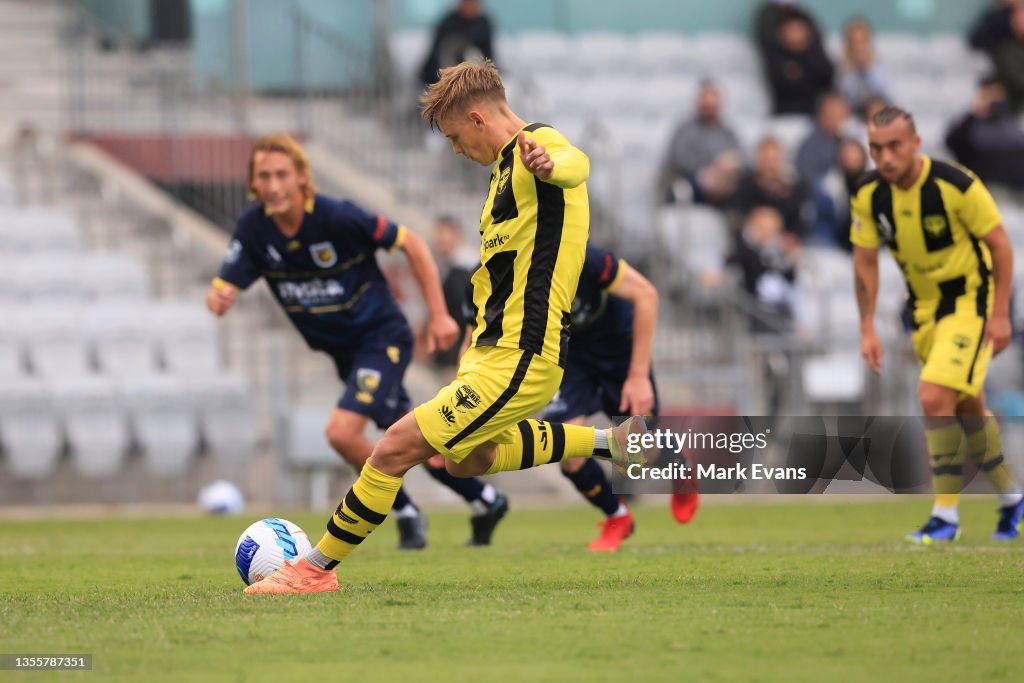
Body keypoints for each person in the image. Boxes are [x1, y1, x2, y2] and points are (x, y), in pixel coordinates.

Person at [244, 60, 651, 594]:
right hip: (491, 351)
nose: (457, 150)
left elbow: (577, 163)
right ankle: (612, 443)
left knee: (392, 448)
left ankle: (314, 570)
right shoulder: (502, 175)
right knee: (468, 461)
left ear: (478, 119)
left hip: (522, 353)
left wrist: (550, 163)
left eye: (457, 137)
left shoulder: (538, 147)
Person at [206, 134, 508, 551]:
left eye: (281, 175)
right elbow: (222, 285)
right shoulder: (255, 229)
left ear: (300, 179)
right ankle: (487, 500)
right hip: (346, 355)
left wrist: (438, 315)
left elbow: (413, 244)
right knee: (418, 442)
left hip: (382, 338)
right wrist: (219, 296)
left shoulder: (337, 217)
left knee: (342, 433)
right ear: (254, 183)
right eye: (263, 177)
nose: (272, 185)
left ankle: (404, 511)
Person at [850, 106, 1024, 543]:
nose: (885, 157)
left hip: (971, 303)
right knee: (967, 410)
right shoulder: (869, 195)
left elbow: (1001, 247)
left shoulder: (956, 184)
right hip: (924, 311)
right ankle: (1012, 499)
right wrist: (866, 327)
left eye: (894, 146)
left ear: (915, 143)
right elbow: (865, 260)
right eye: (876, 149)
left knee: (931, 396)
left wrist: (1001, 315)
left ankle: (945, 515)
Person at [493, 244, 697, 551]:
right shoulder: (515, 266)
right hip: (570, 355)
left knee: (634, 452)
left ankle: (680, 468)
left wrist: (638, 376)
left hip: (618, 346)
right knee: (568, 454)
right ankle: (618, 518)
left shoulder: (586, 257)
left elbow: (647, 295)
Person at [659, 80, 741, 204]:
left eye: (713, 98)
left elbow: (741, 158)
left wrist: (729, 164)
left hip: (725, 185)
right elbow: (677, 159)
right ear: (698, 101)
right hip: (690, 182)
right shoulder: (685, 130)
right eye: (705, 98)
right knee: (708, 180)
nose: (709, 103)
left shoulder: (728, 132)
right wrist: (711, 168)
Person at [945, 76, 1024, 190]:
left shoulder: (1008, 121)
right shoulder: (968, 126)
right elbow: (953, 143)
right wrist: (975, 113)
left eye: (997, 92)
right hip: (989, 187)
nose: (994, 98)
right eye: (989, 93)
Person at [731, 137, 810, 239]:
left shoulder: (793, 189)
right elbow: (737, 217)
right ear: (757, 159)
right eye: (766, 159)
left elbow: (798, 223)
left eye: (774, 160)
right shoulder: (744, 185)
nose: (769, 165)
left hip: (783, 241)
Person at [760, 9, 835, 116]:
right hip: (789, 114)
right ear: (781, 33)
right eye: (790, 29)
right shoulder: (775, 57)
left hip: (820, 114)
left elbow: (826, 76)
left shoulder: (818, 54)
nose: (795, 34)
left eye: (799, 29)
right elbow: (785, 84)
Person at [429, 215, 477, 370]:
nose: (441, 238)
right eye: (439, 233)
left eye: (445, 233)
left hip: (457, 352)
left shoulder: (463, 270)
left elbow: (462, 311)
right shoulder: (448, 264)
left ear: (457, 236)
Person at [419, 0, 495, 88]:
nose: (470, 5)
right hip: (438, 77)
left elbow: (488, 56)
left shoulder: (484, 24)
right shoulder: (448, 23)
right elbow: (437, 57)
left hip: (473, 78)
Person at [796, 91, 851, 188]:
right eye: (833, 113)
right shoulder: (810, 144)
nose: (839, 118)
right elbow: (807, 176)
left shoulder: (854, 138)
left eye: (842, 113)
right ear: (822, 116)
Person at [836, 18, 889, 117]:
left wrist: (868, 69)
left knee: (877, 108)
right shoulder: (840, 66)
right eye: (854, 41)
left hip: (873, 106)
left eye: (862, 41)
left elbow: (882, 91)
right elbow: (844, 93)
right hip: (851, 108)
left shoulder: (879, 64)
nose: (858, 46)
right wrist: (850, 70)